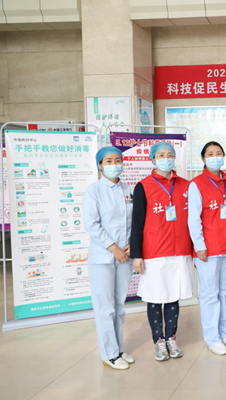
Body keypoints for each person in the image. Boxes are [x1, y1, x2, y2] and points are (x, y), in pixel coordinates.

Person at [130, 142, 194, 361]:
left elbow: (195, 220)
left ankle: (171, 338)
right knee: (156, 297)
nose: (166, 159)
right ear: (153, 159)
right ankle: (158, 340)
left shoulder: (186, 186)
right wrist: (137, 254)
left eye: (170, 155)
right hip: (154, 252)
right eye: (161, 155)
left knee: (173, 296)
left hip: (180, 251)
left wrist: (195, 250)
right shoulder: (143, 186)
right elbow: (137, 223)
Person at [83, 146, 135, 370]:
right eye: (108, 161)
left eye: (118, 160)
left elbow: (134, 221)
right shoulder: (93, 190)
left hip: (125, 256)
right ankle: (109, 354)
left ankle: (118, 349)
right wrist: (113, 248)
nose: (114, 164)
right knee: (105, 307)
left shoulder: (129, 190)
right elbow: (91, 224)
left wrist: (131, 244)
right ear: (100, 165)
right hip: (103, 257)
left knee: (119, 306)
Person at [188, 141, 226, 356]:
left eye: (219, 153)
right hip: (207, 249)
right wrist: (199, 245)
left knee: (224, 294)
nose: (215, 157)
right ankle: (211, 338)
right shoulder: (196, 184)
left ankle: (222, 333)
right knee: (209, 294)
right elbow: (193, 219)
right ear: (203, 159)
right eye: (210, 154)